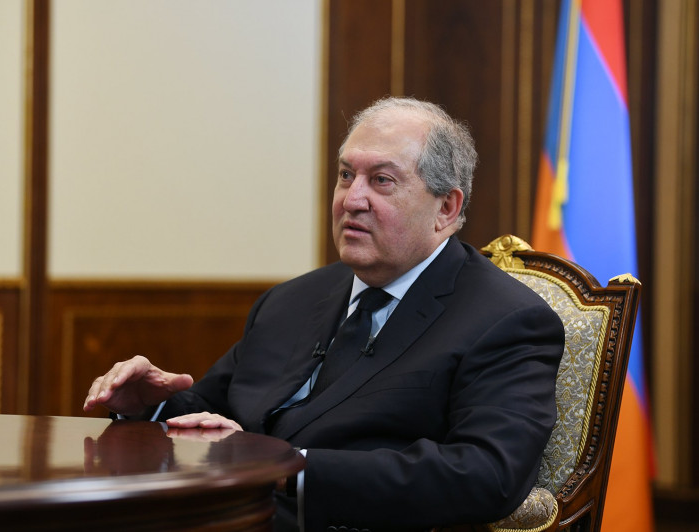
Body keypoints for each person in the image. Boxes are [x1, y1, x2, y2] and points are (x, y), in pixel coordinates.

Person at [84, 97, 564, 532]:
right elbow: (216, 413)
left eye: (382, 180)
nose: (351, 200)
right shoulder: (291, 300)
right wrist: (149, 406)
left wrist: (288, 468)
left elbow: (486, 473)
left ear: (446, 208)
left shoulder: (506, 320)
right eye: (346, 175)